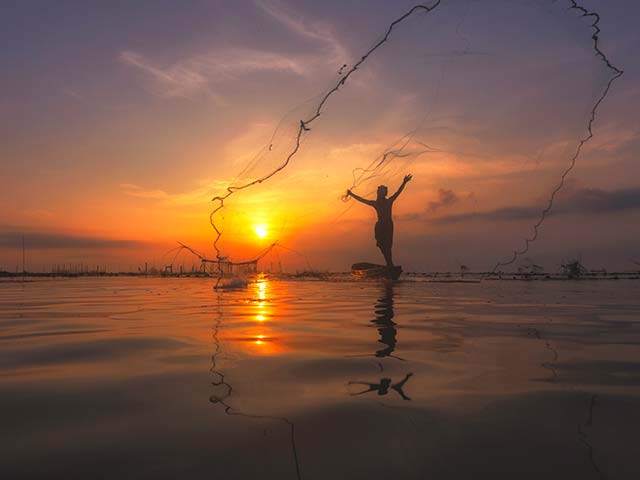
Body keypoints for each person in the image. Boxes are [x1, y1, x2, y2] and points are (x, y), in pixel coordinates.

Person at [347, 174, 412, 268]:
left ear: (384, 193)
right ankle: (389, 263)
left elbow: (398, 192)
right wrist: (351, 194)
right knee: (382, 245)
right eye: (378, 192)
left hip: (388, 225)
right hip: (380, 225)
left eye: (380, 192)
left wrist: (404, 182)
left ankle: (390, 264)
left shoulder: (389, 201)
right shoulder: (375, 203)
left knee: (388, 246)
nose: (378, 193)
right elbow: (362, 200)